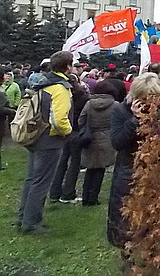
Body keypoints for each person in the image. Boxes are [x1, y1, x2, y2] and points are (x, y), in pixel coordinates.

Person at [16, 51, 74, 234]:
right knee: (41, 182)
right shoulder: (61, 88)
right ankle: (31, 223)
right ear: (67, 67)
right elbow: (59, 119)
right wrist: (69, 132)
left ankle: (23, 216)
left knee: (31, 178)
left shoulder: (42, 82)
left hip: (35, 134)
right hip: (50, 138)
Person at [108, 73, 160, 254]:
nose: (148, 102)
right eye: (144, 98)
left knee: (154, 219)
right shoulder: (120, 110)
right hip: (128, 171)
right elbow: (117, 142)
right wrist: (134, 121)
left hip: (156, 171)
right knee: (127, 220)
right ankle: (129, 256)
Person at [49, 73, 90, 203]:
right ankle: (68, 193)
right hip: (76, 131)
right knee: (75, 163)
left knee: (62, 161)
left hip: (64, 130)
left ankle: (54, 192)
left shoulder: (63, 95)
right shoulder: (83, 97)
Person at [78, 80, 118, 205]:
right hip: (106, 138)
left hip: (89, 138)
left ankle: (85, 197)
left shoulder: (89, 104)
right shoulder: (115, 105)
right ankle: (93, 198)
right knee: (100, 169)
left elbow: (81, 120)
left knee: (90, 169)